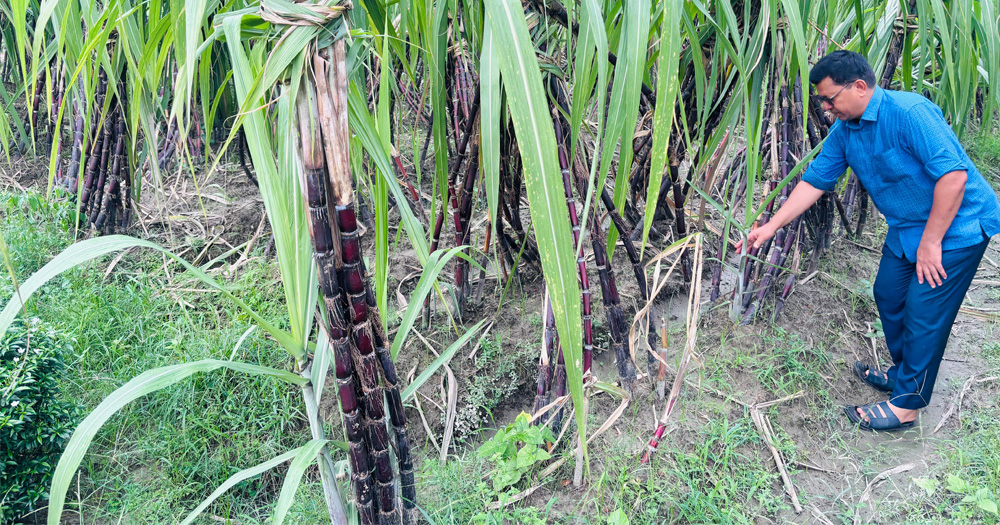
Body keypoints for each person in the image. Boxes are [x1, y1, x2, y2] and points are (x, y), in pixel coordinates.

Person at [740, 50, 1000, 431]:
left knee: (925, 311)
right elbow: (815, 181)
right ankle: (904, 373)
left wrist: (931, 243)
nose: (827, 108)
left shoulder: (909, 113)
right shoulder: (844, 132)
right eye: (822, 101)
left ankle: (908, 405)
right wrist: (771, 226)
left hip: (956, 225)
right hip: (907, 226)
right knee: (889, 294)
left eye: (831, 98)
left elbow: (953, 179)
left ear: (860, 87)